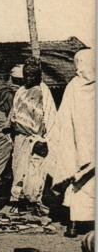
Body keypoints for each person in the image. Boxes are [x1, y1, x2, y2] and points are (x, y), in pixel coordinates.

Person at [46, 49, 95, 236]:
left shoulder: (74, 86)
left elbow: (64, 118)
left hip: (78, 144)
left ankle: (74, 225)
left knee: (78, 185)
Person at [8, 59, 57, 212]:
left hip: (36, 139)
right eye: (26, 75)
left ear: (38, 76)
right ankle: (18, 201)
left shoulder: (42, 92)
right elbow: (14, 113)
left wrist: (43, 138)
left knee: (34, 171)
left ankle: (34, 201)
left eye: (32, 75)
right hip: (20, 137)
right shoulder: (21, 91)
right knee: (18, 169)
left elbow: (46, 117)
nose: (28, 78)